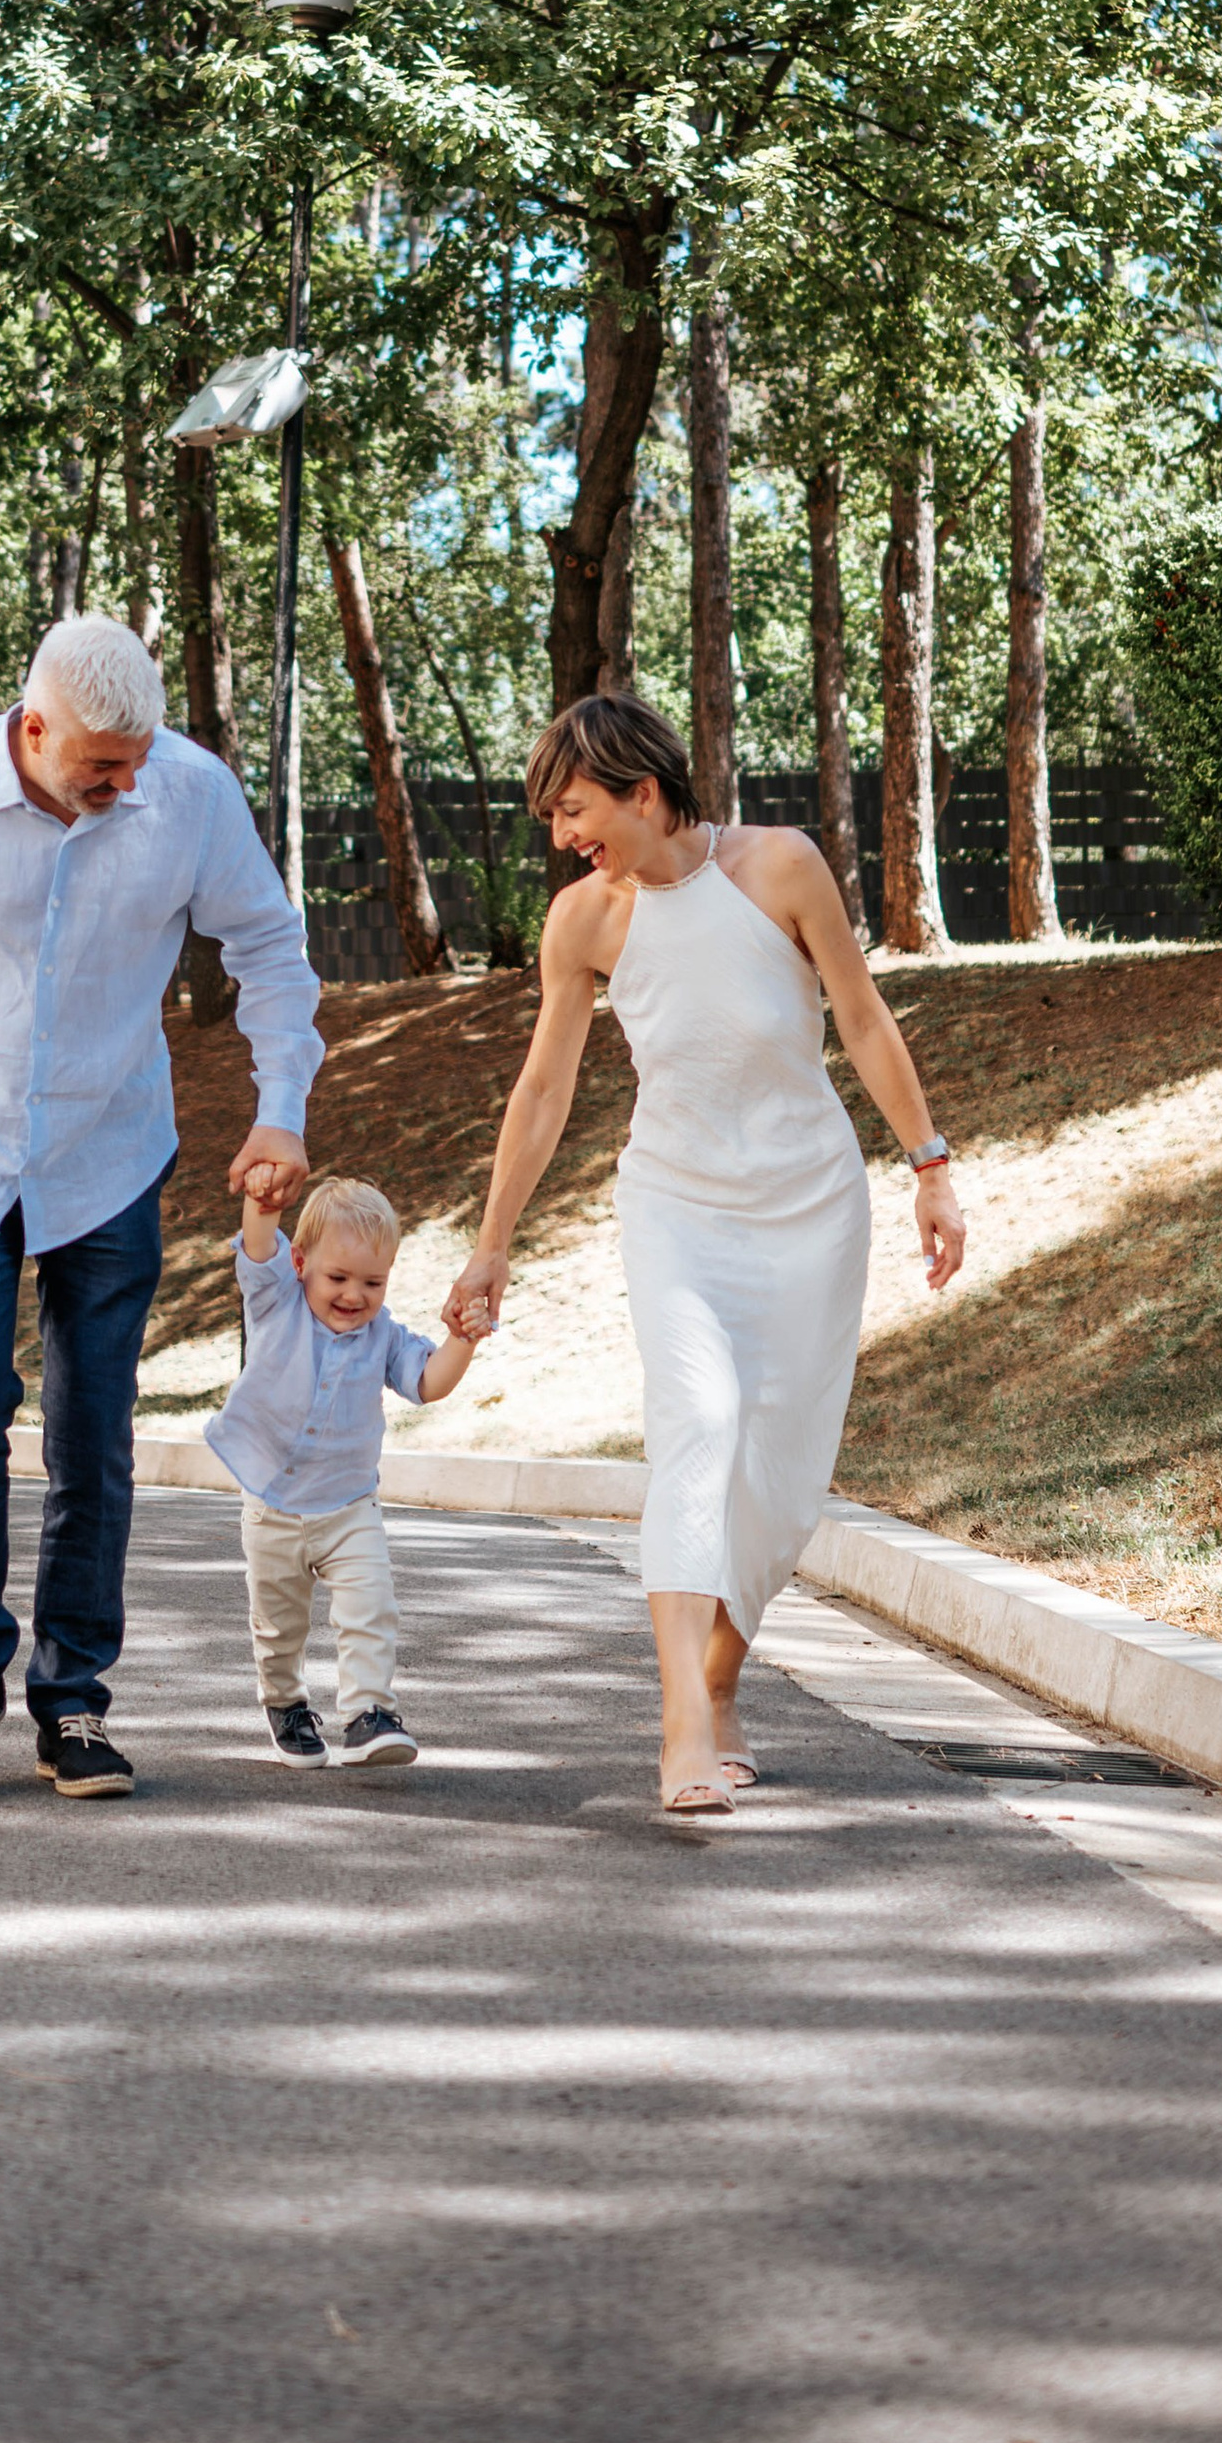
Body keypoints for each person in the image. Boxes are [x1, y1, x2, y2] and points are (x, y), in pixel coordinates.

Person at [0, 614, 322, 1802]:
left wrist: (280, 1106)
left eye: (137, 762)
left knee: (95, 1429)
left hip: (109, 1148)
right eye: (102, 766)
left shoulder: (186, 792)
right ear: (33, 728)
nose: (125, 784)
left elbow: (270, 949)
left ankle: (75, 1698)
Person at [443, 693, 965, 1820]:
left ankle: (719, 1680)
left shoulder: (777, 868)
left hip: (809, 1204)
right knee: (697, 1427)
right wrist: (492, 1244)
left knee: (779, 1485)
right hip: (674, 1202)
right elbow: (544, 1087)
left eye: (573, 810)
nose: (560, 837)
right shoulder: (585, 921)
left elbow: (863, 1018)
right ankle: (682, 1723)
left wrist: (929, 1165)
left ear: (643, 790)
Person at [208, 1170, 482, 1770]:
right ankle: (285, 1705)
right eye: (338, 1277)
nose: (354, 1295)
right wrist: (263, 1202)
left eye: (373, 1282)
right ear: (301, 1262)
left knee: (371, 1605)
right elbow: (258, 1246)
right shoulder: (275, 1300)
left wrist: (461, 1340)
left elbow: (428, 1382)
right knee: (279, 1628)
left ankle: (368, 1714)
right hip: (273, 1504)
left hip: (350, 1507)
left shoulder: (382, 1336)